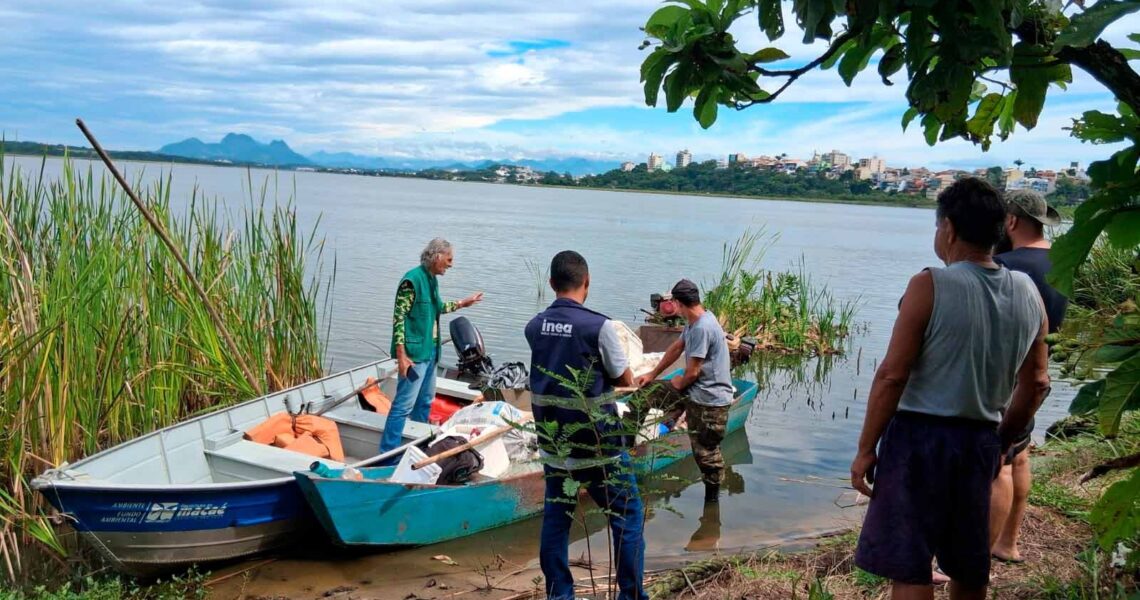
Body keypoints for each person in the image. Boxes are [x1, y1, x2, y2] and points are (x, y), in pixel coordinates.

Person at [850, 178, 1051, 600]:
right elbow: (1037, 383)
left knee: (911, 568)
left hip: (919, 441)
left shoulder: (930, 284)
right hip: (981, 439)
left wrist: (866, 448)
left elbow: (892, 375)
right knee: (969, 567)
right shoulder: (1028, 292)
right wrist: (1004, 439)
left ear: (949, 229)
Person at [524, 250, 647, 600]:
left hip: (555, 446)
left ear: (551, 283)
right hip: (599, 447)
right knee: (628, 516)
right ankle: (631, 596)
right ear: (587, 282)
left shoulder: (534, 326)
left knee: (556, 520)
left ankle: (560, 595)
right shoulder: (599, 326)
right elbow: (623, 378)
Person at [989, 190, 1067, 563]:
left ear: (1011, 221)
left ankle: (981, 552)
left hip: (1004, 377)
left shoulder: (1004, 266)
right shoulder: (1063, 263)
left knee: (999, 463)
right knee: (1019, 455)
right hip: (1039, 373)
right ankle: (1009, 542)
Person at [635, 279, 735, 503]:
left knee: (706, 454)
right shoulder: (695, 321)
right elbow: (676, 348)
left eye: (675, 305)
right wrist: (652, 374)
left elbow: (692, 373)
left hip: (709, 400)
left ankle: (712, 505)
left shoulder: (702, 327)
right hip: (695, 390)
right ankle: (625, 444)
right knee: (647, 393)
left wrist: (678, 382)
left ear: (679, 303)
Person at [380, 238, 483, 453]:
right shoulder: (412, 281)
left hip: (432, 351)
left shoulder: (431, 279)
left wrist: (463, 303)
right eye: (449, 259)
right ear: (437, 257)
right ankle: (387, 452)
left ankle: (417, 447)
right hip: (415, 355)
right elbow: (399, 318)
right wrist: (401, 356)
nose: (451, 264)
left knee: (425, 402)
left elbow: (438, 307)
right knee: (402, 406)